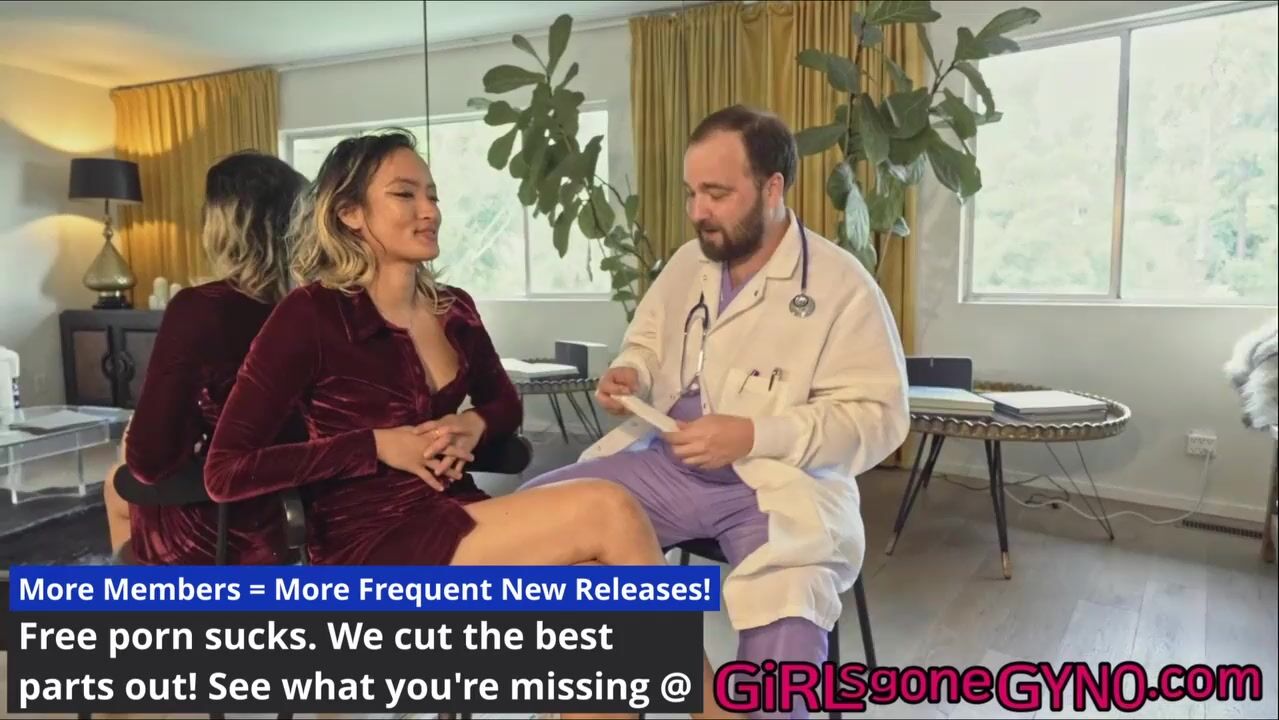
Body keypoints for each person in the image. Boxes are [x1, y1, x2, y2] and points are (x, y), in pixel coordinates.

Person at [202, 129, 740, 720]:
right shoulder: (309, 314)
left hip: (456, 516)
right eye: (405, 195)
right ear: (350, 213)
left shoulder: (452, 308)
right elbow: (225, 471)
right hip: (369, 546)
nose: (429, 210)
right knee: (609, 507)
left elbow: (504, 404)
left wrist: (475, 425)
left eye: (432, 194)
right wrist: (375, 446)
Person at [519, 105, 911, 719]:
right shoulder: (688, 263)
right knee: (528, 525)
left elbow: (878, 416)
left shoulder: (842, 285)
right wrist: (633, 372)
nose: (698, 211)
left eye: (717, 193)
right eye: (691, 192)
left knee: (786, 628)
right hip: (666, 464)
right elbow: (647, 341)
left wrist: (756, 434)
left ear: (773, 188)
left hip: (778, 483)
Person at [104, 151, 309, 564]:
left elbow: (150, 459)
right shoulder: (321, 307)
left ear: (221, 226)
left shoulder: (201, 308)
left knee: (117, 482)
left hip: (231, 532)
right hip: (309, 511)